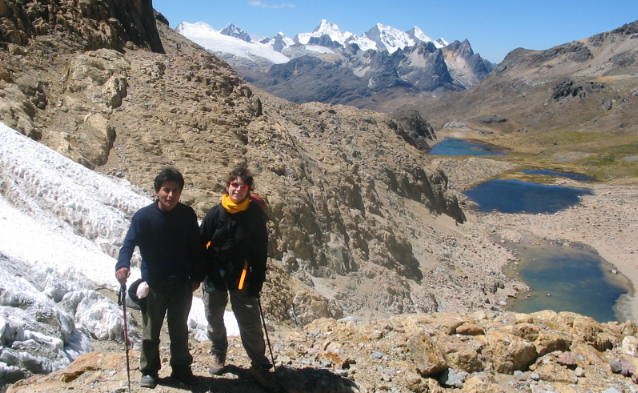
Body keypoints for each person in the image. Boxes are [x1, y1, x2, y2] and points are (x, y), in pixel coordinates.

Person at [115, 167, 204, 389]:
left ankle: (182, 369)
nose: (171, 195)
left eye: (175, 190)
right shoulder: (143, 217)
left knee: (179, 330)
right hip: (154, 284)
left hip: (181, 283)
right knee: (150, 332)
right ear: (157, 191)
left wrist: (197, 275)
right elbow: (128, 244)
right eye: (166, 190)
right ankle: (149, 371)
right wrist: (122, 265)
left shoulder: (187, 215)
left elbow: (196, 247)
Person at [200, 165, 276, 390]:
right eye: (234, 185)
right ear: (227, 186)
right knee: (214, 317)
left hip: (242, 277)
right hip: (214, 275)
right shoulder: (216, 213)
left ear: (248, 189)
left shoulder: (254, 216)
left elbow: (260, 250)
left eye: (242, 186)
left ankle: (258, 363)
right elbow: (200, 242)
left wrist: (257, 279)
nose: (237, 189)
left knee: (250, 322)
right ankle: (218, 352)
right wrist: (199, 271)